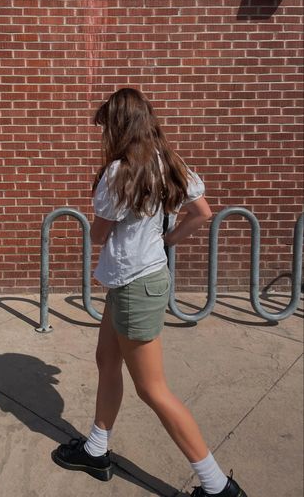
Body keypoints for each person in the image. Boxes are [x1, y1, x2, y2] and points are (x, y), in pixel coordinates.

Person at [52, 88, 247, 497]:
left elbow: (99, 232)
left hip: (134, 285)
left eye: (106, 126)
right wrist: (167, 240)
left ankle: (217, 486)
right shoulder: (167, 161)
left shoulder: (120, 172)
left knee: (152, 389)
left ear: (120, 126)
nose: (103, 134)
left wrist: (115, 228)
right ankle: (96, 449)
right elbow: (202, 213)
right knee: (106, 358)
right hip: (136, 279)